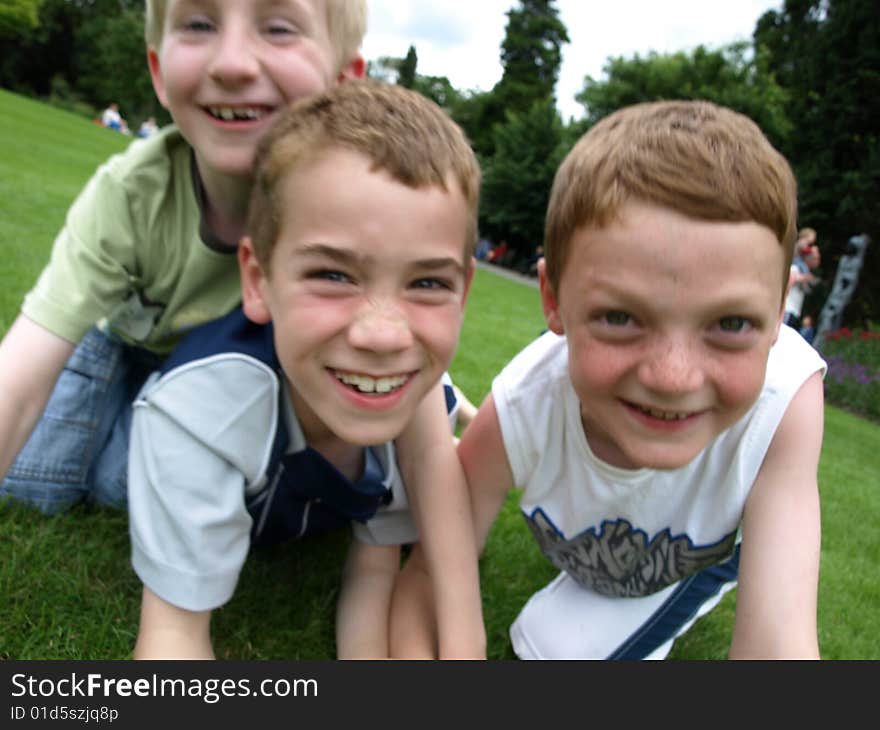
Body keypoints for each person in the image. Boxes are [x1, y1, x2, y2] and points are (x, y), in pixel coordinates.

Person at [128, 80, 485, 660]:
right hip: (154, 432)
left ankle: (458, 407)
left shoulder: (400, 393)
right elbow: (173, 636)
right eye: (334, 275)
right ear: (257, 279)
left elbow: (373, 572)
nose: (383, 334)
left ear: (463, 291)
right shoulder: (199, 418)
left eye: (427, 282)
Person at [458, 100, 826, 659]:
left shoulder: (785, 400)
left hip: (693, 550)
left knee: (552, 647)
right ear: (554, 301)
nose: (673, 378)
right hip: (602, 540)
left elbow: (778, 644)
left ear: (779, 316)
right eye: (621, 318)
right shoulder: (528, 397)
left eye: (731, 324)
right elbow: (448, 538)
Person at [0, 0, 367, 515]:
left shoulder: (350, 209)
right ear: (159, 71)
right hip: (120, 343)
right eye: (199, 24)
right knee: (31, 485)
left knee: (121, 490)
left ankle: (138, 428)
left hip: (217, 372)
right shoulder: (131, 192)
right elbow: (21, 372)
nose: (232, 64)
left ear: (343, 83)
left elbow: (392, 318)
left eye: (279, 29)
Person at [784, 227, 821, 328]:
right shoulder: (796, 266)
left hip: (793, 309)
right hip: (788, 308)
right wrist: (804, 278)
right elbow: (790, 278)